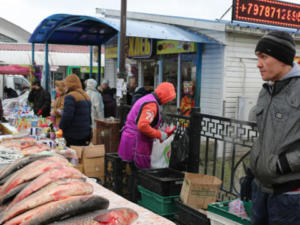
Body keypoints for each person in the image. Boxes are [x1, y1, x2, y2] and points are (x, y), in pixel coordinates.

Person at [242, 31, 300, 225]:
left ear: (283, 58)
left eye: (264, 57)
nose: (258, 63)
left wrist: (282, 164)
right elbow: (264, 137)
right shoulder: (266, 90)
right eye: (258, 57)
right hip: (260, 190)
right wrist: (251, 172)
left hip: (290, 196)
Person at [118, 82, 176, 169]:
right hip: (137, 144)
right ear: (165, 97)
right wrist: (160, 135)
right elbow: (143, 126)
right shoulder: (151, 104)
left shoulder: (147, 98)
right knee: (140, 174)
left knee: (128, 171)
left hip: (130, 139)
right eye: (169, 99)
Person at [59, 74, 92, 147]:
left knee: (73, 155)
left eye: (66, 84)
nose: (65, 87)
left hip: (73, 134)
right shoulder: (85, 95)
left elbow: (67, 116)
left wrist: (61, 127)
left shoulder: (70, 97)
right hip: (85, 133)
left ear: (69, 84)